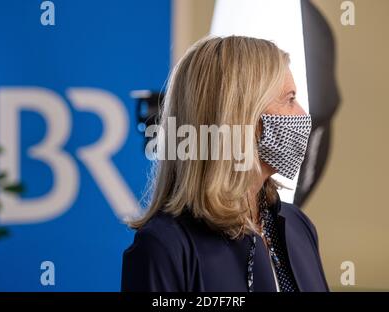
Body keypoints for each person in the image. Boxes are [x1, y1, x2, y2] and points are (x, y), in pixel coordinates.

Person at [121, 36, 329, 292]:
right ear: (240, 116)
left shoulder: (298, 226)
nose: (302, 115)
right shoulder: (165, 247)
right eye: (289, 99)